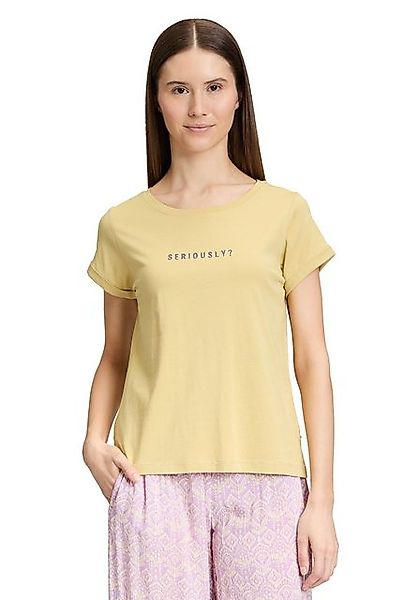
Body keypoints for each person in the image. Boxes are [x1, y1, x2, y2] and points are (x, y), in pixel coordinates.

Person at [82, 17, 339, 600]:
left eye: (214, 87)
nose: (198, 107)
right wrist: (93, 440)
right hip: (152, 480)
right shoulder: (123, 225)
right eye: (179, 89)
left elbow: (312, 360)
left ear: (238, 95)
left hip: (267, 481)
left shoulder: (284, 213)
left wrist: (320, 500)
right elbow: (116, 354)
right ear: (157, 100)